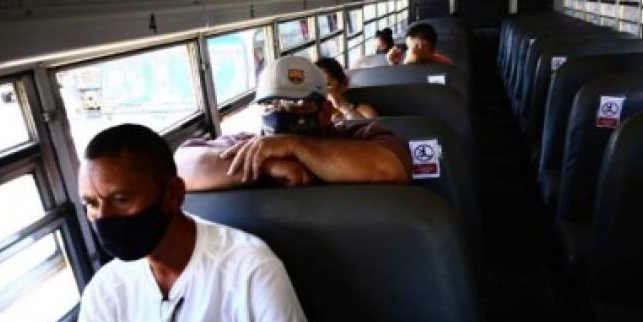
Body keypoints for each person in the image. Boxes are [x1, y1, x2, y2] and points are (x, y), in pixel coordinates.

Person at [73, 124, 321, 322]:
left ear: (173, 194)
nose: (104, 217)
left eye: (121, 199)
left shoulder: (247, 266)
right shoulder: (105, 291)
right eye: (91, 203)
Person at [175, 56, 410, 190]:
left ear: (325, 111)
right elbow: (181, 165)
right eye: (271, 104)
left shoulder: (360, 136)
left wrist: (296, 146)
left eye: (297, 104)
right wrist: (266, 166)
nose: (281, 112)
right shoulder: (251, 145)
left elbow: (389, 167)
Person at [314, 56, 377, 122]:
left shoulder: (364, 111)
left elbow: (370, 130)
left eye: (328, 85)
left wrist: (342, 106)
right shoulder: (312, 115)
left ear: (343, 85)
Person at [387, 22, 454, 66]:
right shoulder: (407, 59)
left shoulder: (443, 63)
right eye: (408, 48)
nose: (409, 52)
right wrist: (393, 63)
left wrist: (409, 64)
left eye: (413, 47)